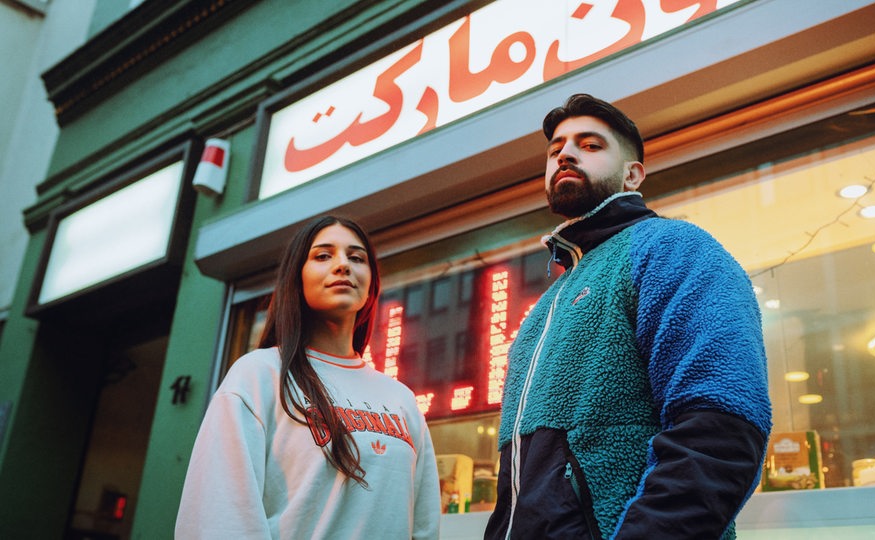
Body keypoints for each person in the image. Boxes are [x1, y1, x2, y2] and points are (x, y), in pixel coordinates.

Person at [484, 94, 772, 540]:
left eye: (591, 145)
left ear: (633, 175)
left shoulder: (671, 248)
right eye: (555, 147)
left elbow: (722, 429)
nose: (565, 153)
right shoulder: (546, 307)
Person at [176, 216, 440, 539]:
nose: (343, 265)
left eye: (356, 257)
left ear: (371, 283)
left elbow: (424, 529)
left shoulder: (402, 401)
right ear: (296, 278)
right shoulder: (258, 376)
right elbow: (218, 519)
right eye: (323, 255)